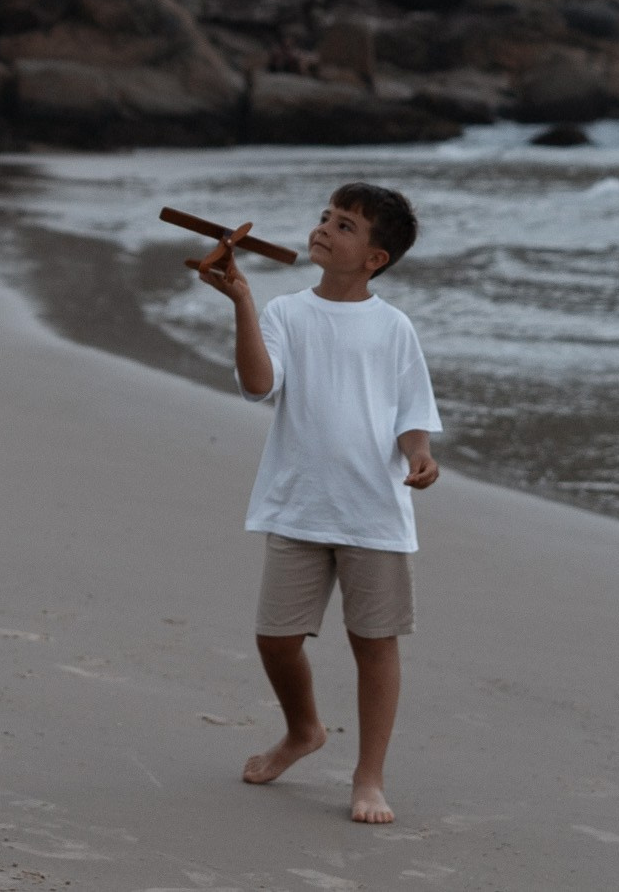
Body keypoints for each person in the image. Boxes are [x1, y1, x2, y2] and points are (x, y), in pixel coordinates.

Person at [197, 183, 441, 824]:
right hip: (299, 504)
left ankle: (369, 777)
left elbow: (412, 415)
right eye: (326, 217)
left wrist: (419, 454)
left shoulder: (394, 328)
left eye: (347, 226)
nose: (327, 229)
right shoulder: (285, 312)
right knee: (275, 639)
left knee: (375, 645)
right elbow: (258, 384)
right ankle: (303, 731)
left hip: (374, 512)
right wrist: (243, 301)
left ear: (374, 259)